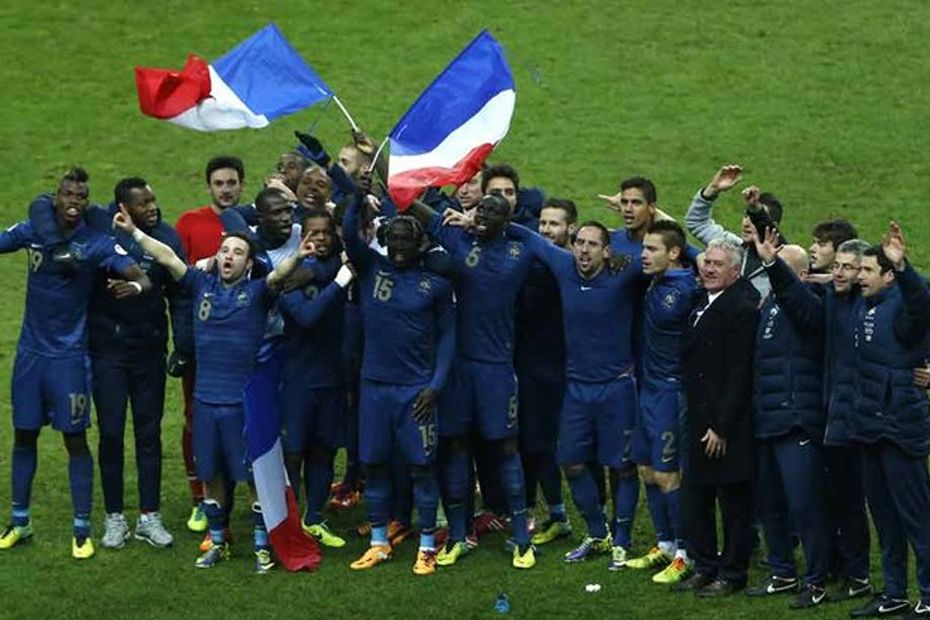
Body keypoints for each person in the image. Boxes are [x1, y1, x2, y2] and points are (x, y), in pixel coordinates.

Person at [114, 192, 314, 572]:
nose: (228, 257)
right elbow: (168, 258)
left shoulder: (257, 293)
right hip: (205, 403)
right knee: (210, 476)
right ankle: (218, 542)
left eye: (237, 253)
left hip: (242, 405)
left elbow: (278, 276)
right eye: (224, 251)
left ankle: (262, 546)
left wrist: (300, 256)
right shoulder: (200, 286)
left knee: (252, 477)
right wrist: (135, 233)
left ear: (248, 263)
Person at [0, 168, 151, 559]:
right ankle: (19, 521)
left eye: (81, 197)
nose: (74, 202)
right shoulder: (35, 230)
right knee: (24, 435)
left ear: (87, 201)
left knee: (75, 440)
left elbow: (141, 276)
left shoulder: (96, 242)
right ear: (56, 197)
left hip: (68, 360)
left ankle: (81, 529)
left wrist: (133, 286)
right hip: (30, 356)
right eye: (68, 194)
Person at [500, 216, 644, 571]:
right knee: (571, 462)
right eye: (579, 242)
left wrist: (633, 246)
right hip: (577, 388)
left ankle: (622, 540)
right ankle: (597, 533)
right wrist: (477, 218)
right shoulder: (564, 266)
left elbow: (671, 253)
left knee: (623, 467)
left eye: (592, 244)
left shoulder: (624, 272)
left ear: (606, 251)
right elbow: (529, 237)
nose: (583, 249)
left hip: (617, 387)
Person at [406, 193, 538, 570]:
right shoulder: (458, 239)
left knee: (506, 448)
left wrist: (495, 224)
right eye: (480, 209)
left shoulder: (520, 251)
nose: (482, 215)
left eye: (493, 212)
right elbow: (414, 205)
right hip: (458, 367)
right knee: (456, 446)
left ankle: (522, 539)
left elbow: (548, 247)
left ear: (507, 220)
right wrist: (386, 170)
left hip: (496, 368)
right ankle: (459, 536)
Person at [343, 182, 456, 576]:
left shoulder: (436, 285)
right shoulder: (372, 269)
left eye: (407, 239)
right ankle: (379, 542)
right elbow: (349, 236)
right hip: (375, 387)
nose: (400, 245)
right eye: (394, 238)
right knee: (373, 464)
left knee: (422, 468)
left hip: (415, 391)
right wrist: (357, 198)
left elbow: (448, 339)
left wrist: (435, 386)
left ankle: (426, 546)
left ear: (421, 243)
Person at [90, 179, 187, 550]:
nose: (152, 207)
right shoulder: (101, 232)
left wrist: (182, 345)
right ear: (123, 208)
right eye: (143, 203)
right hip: (108, 353)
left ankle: (149, 516)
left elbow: (179, 294)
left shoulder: (166, 238)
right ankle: (114, 517)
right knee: (111, 433)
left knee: (149, 434)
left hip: (149, 350)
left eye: (153, 200)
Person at [845, 224, 930, 619]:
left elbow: (921, 301)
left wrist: (904, 266)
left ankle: (928, 595)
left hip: (899, 427)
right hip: (869, 425)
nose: (859, 277)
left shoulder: (905, 310)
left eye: (867, 270)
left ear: (889, 276)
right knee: (883, 517)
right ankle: (894, 593)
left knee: (916, 517)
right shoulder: (866, 303)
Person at [745, 233, 830, 609]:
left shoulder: (811, 304)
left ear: (801, 274)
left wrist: (773, 265)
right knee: (770, 505)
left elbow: (797, 298)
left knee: (805, 506)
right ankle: (782, 572)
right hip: (767, 419)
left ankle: (817, 580)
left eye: (780, 268)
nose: (772, 273)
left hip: (797, 420)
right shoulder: (768, 306)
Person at [674, 237, 759, 597]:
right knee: (697, 496)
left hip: (726, 424)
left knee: (733, 501)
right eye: (706, 262)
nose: (708, 269)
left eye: (717, 264)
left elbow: (740, 372)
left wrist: (721, 426)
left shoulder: (740, 308)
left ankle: (733, 572)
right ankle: (705, 565)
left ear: (735, 271)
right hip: (699, 416)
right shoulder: (703, 302)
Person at [175, 155, 250, 533]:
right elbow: (179, 282)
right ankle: (200, 499)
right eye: (219, 183)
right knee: (195, 416)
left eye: (232, 182)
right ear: (209, 186)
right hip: (201, 341)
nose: (226, 189)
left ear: (242, 185)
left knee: (246, 422)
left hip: (242, 345)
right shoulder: (190, 223)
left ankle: (255, 504)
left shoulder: (249, 224)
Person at [625, 221, 697, 584]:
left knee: (669, 474)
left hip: (672, 391)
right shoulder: (655, 281)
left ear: (674, 253)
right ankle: (665, 543)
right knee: (648, 470)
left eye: (652, 249)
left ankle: (687, 552)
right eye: (644, 248)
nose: (644, 255)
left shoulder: (688, 288)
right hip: (648, 389)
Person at [278, 207, 349, 548]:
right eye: (313, 232)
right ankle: (290, 520)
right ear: (301, 236)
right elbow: (307, 317)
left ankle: (314, 517)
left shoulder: (335, 266)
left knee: (324, 450)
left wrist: (330, 273)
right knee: (293, 452)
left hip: (333, 378)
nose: (320, 238)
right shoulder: (291, 274)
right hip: (298, 380)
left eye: (326, 232)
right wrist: (338, 282)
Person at [516, 199, 577, 546]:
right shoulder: (530, 262)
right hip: (527, 363)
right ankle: (538, 511)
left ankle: (560, 514)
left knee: (548, 444)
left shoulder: (574, 266)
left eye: (555, 224)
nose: (547, 230)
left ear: (571, 228)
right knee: (529, 441)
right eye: (543, 223)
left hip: (560, 368)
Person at [820, 238, 874, 602]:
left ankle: (860, 576)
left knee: (857, 502)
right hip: (834, 416)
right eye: (836, 266)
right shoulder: (831, 300)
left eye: (848, 268)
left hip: (859, 420)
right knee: (841, 499)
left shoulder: (866, 306)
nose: (838, 273)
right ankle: (849, 571)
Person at [685, 164, 784, 298]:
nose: (747, 223)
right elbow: (697, 222)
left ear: (773, 227)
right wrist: (713, 189)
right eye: (746, 216)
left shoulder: (785, 262)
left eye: (756, 219)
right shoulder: (731, 247)